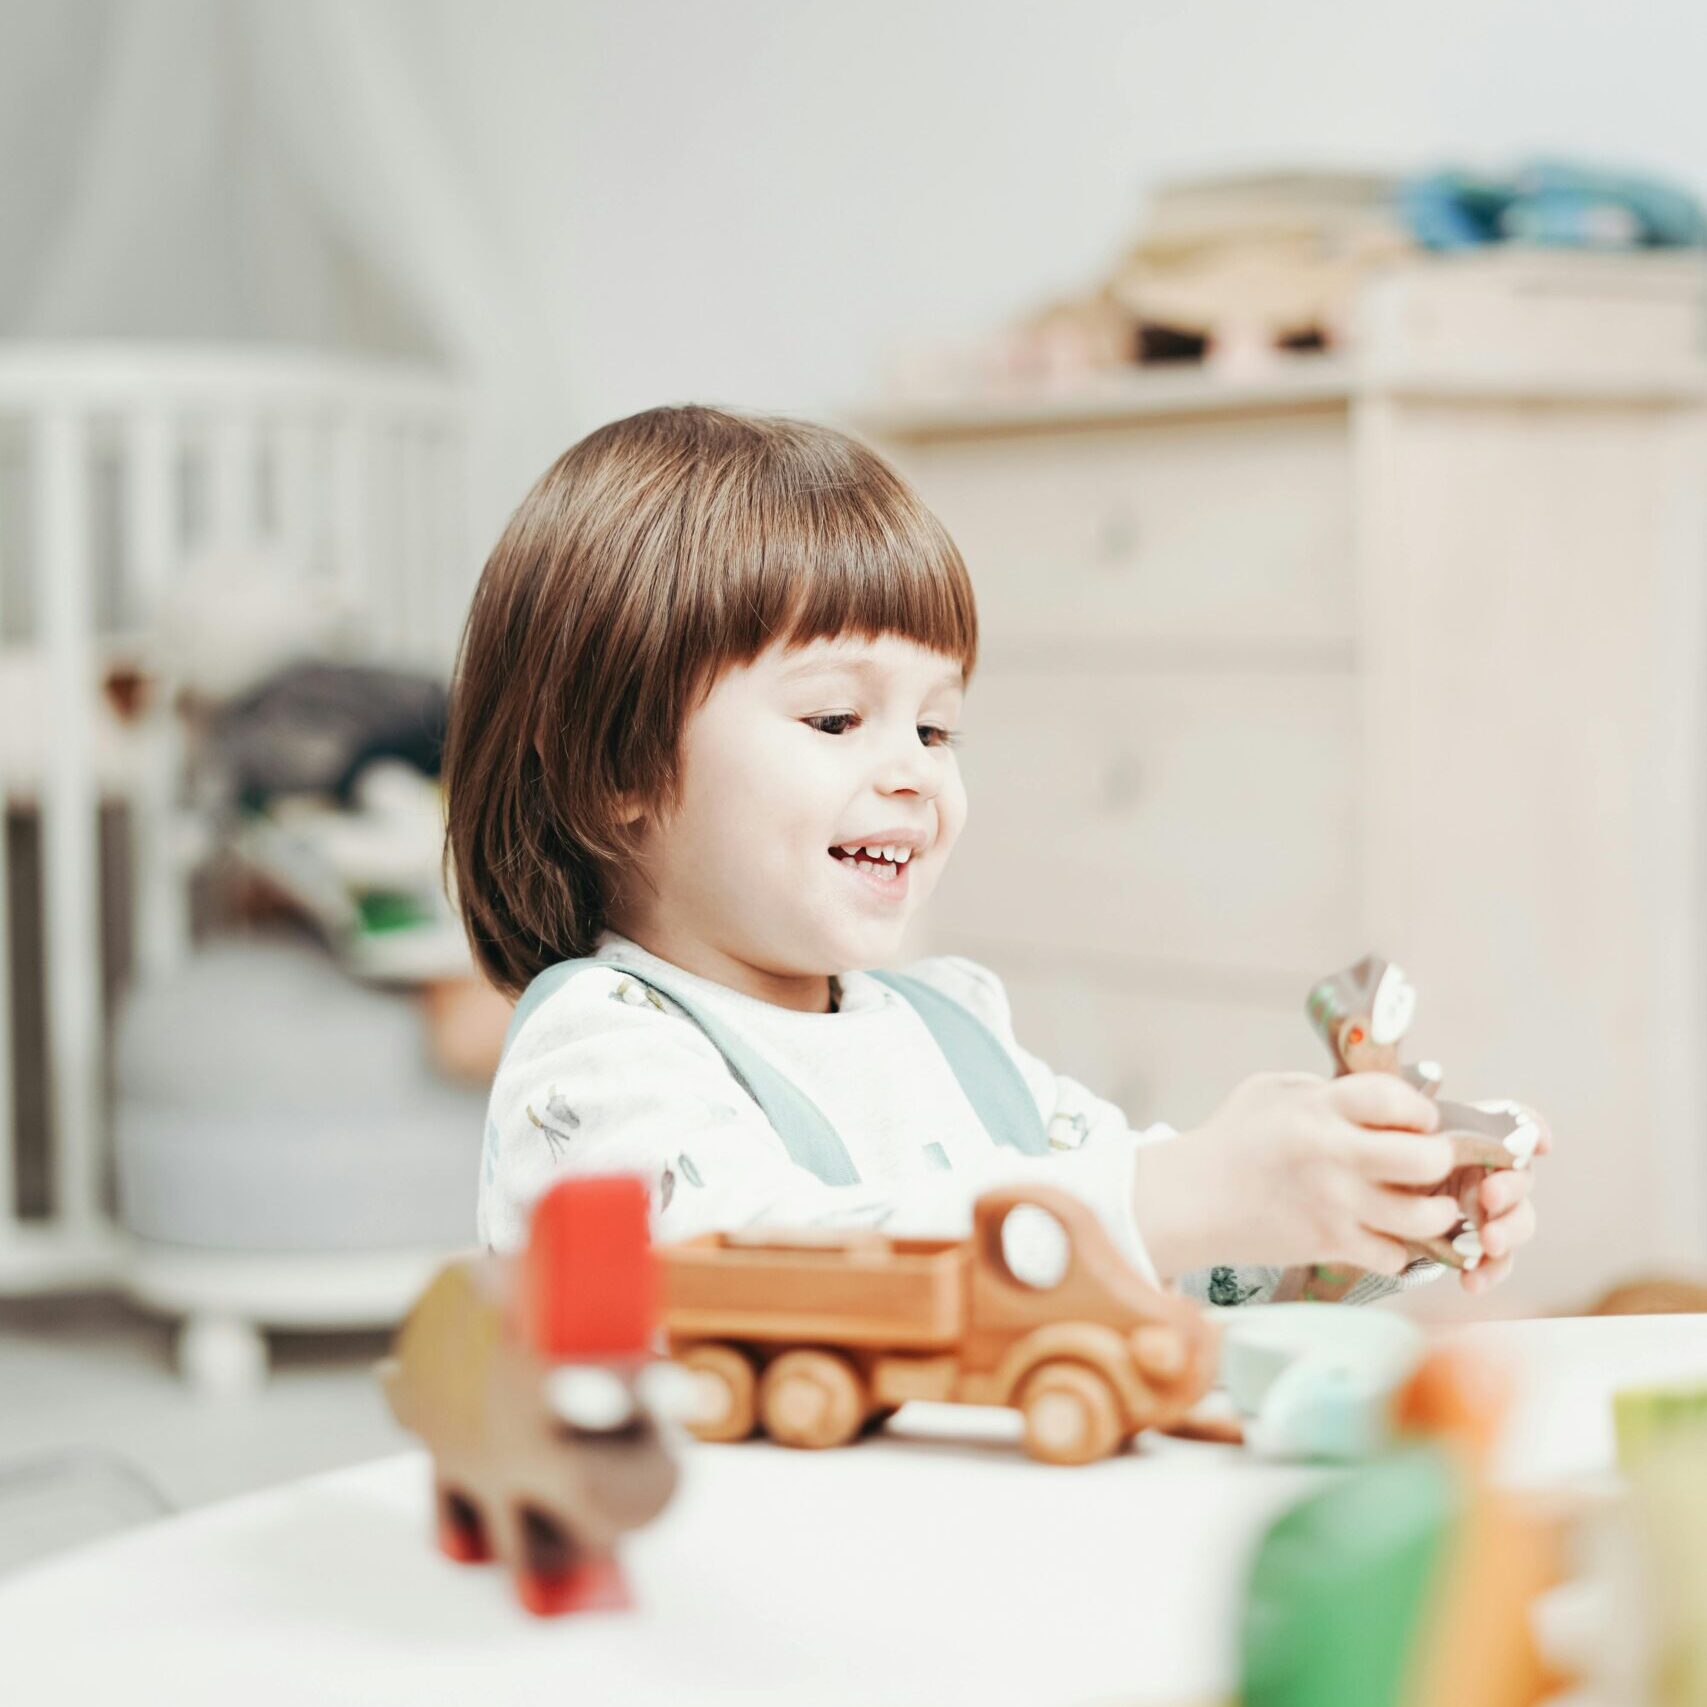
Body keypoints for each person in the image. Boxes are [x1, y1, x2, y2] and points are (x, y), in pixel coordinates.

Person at [442, 404, 1544, 1305]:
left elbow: (1156, 1259)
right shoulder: (597, 1062)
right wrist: (1186, 1185)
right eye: (835, 721)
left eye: (935, 728)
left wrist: (1338, 1219)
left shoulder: (956, 1037)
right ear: (615, 767)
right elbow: (759, 1281)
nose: (914, 771)